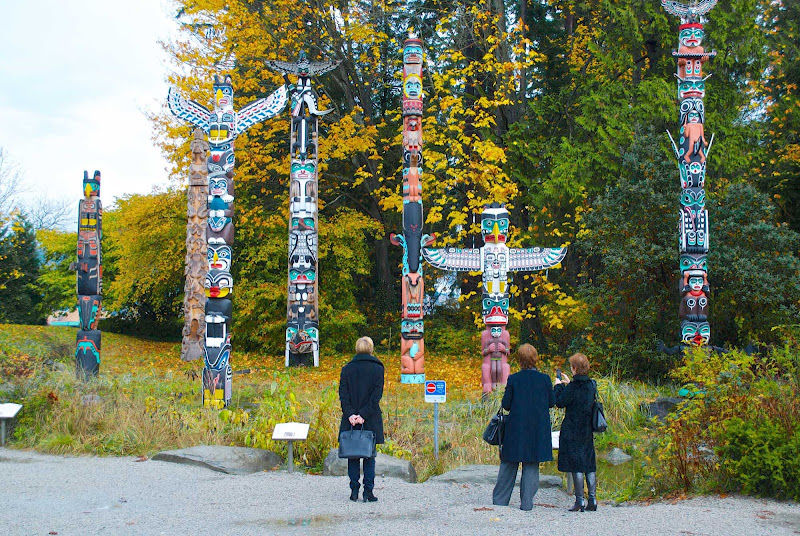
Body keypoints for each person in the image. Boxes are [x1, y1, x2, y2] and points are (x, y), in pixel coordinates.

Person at [492, 344, 555, 511]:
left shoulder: (514, 379)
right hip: (537, 429)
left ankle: (500, 502)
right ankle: (526, 504)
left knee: (509, 464)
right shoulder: (545, 379)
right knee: (531, 464)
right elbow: (551, 402)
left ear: (519, 360)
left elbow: (506, 405)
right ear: (535, 359)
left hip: (516, 428)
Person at [339, 336, 384, 502]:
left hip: (350, 419)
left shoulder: (347, 369)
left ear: (357, 349)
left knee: (353, 455)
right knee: (369, 456)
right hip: (370, 418)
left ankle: (353, 490)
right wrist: (363, 415)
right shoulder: (378, 369)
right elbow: (376, 396)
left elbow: (343, 395)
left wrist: (351, 414)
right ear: (371, 349)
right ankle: (368, 492)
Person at [554, 352, 598, 512]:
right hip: (587, 429)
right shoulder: (592, 384)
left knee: (576, 464)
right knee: (589, 463)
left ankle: (579, 500)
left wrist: (559, 385)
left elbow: (559, 402)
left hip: (572, 429)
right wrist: (568, 383)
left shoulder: (572, 388)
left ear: (574, 368)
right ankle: (592, 499)